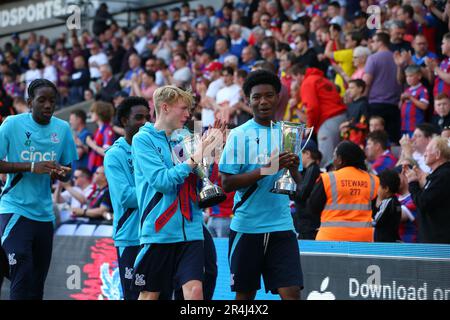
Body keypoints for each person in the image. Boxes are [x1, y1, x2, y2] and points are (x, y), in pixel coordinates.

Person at [130, 85, 224, 300]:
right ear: (165, 108)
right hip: (159, 231)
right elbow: (163, 182)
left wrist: (209, 156)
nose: (188, 114)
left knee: (195, 291)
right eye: (183, 108)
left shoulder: (186, 139)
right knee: (150, 295)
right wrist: (196, 156)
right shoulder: (143, 140)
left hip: (191, 229)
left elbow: (199, 182)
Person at [219, 70, 303, 300]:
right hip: (247, 228)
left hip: (282, 227)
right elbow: (227, 184)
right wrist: (268, 168)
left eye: (268, 95)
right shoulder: (238, 135)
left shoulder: (289, 134)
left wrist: (294, 169)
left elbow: (300, 187)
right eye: (256, 97)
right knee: (245, 297)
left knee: (292, 294)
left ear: (278, 97)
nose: (263, 101)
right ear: (248, 101)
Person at [0, 79, 77, 299]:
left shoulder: (62, 128)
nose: (47, 105)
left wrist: (61, 172)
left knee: (36, 284)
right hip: (15, 210)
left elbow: (69, 169)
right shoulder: (12, 124)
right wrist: (32, 166)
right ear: (29, 102)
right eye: (41, 100)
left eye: (52, 101)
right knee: (21, 275)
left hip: (44, 215)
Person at [104, 97, 150, 300]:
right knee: (134, 296)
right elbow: (125, 197)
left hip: (157, 235)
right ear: (124, 121)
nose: (145, 122)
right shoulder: (115, 155)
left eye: (148, 117)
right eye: (138, 117)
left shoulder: (152, 149)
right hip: (130, 236)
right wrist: (159, 185)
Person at [309, 141, 380, 242]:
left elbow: (313, 207)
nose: (333, 160)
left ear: (341, 160)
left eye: (335, 156)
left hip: (329, 239)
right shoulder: (374, 181)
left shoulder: (328, 178)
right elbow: (377, 210)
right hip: (363, 241)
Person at [297, 65, 347, 167]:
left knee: (326, 161)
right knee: (340, 156)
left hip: (328, 121)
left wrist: (309, 126)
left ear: (299, 75)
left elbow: (312, 107)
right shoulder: (323, 79)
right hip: (342, 117)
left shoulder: (307, 82)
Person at [404, 136, 450, 244]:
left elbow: (423, 202)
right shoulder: (439, 175)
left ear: (438, 154)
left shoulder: (443, 176)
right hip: (434, 240)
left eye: (428, 151)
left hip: (438, 243)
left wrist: (413, 182)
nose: (424, 154)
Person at [363, 32, 402, 143]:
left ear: (380, 42)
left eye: (374, 41)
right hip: (394, 105)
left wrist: (363, 99)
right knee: (393, 140)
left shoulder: (373, 58)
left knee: (375, 139)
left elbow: (366, 81)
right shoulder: (396, 57)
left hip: (376, 104)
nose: (371, 44)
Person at [292, 140, 322, 240]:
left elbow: (302, 194)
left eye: (300, 153)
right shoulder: (309, 170)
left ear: (307, 154)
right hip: (306, 224)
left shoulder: (313, 169)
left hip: (308, 225)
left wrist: (288, 190)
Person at [399, 65, 429, 137]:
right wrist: (401, 100)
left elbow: (424, 106)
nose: (408, 78)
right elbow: (400, 107)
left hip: (415, 126)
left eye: (411, 76)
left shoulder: (422, 90)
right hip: (404, 126)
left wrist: (411, 97)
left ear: (419, 76)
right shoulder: (407, 90)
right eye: (407, 76)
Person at [372, 169, 401, 242]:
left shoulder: (387, 202)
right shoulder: (396, 202)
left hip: (384, 242)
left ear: (386, 189)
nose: (377, 189)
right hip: (392, 239)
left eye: (379, 186)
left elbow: (375, 221)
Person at [86, 101, 115, 173]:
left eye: (93, 112)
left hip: (102, 170)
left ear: (99, 114)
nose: (90, 114)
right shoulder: (99, 129)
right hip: (95, 169)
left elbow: (106, 152)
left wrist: (91, 144)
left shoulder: (107, 130)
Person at [69, 109, 91, 174]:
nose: (70, 122)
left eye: (71, 120)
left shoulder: (86, 134)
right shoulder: (78, 135)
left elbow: (78, 154)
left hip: (83, 175)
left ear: (79, 120)